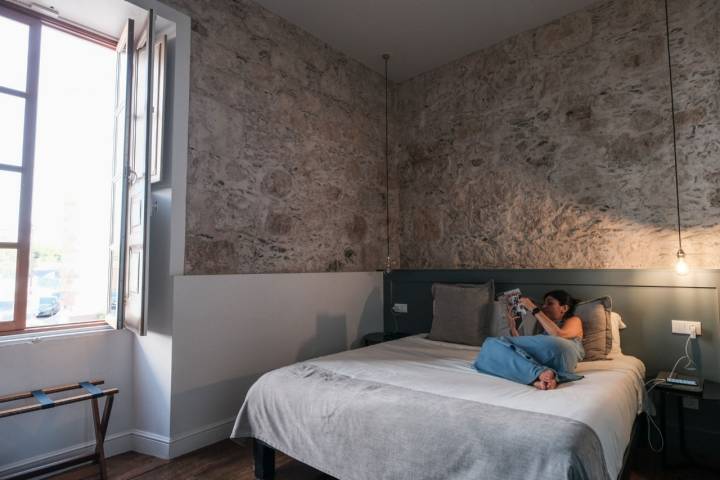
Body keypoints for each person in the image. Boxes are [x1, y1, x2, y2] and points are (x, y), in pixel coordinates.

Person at [473, 290, 585, 390]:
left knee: (490, 345)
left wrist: (533, 308)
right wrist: (512, 327)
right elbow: (518, 352)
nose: (544, 307)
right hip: (552, 361)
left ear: (564, 308)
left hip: (563, 349)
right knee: (488, 358)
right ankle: (539, 379)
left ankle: (537, 373)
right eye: (544, 304)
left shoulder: (574, 320)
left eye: (550, 303)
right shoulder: (545, 329)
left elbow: (558, 334)